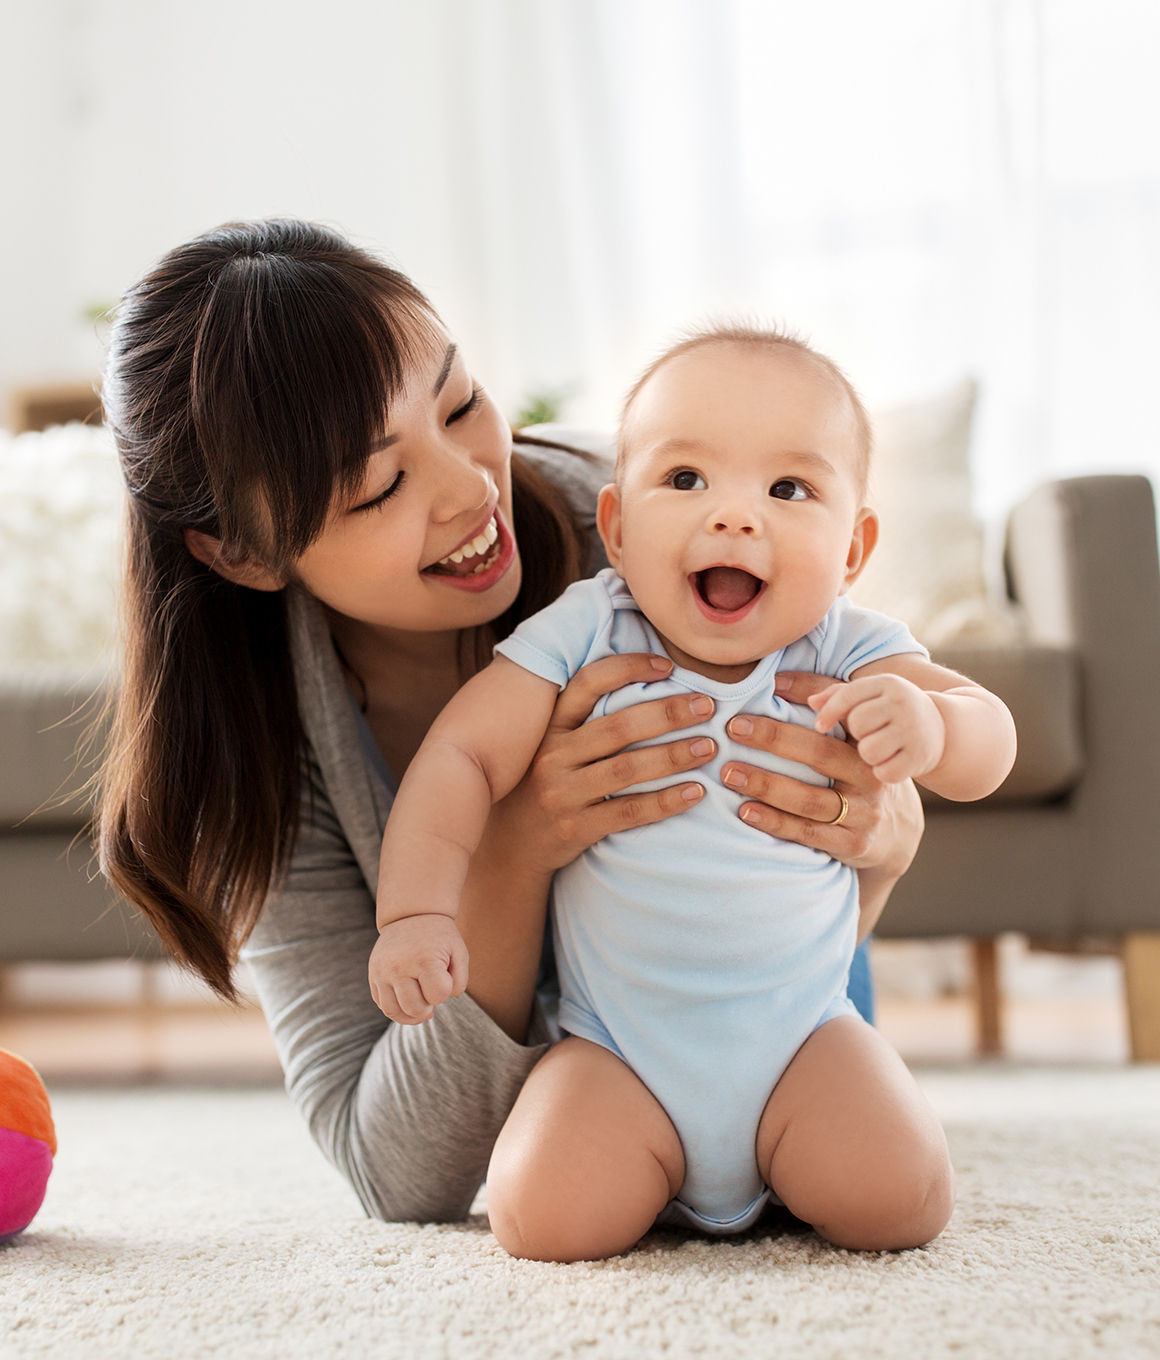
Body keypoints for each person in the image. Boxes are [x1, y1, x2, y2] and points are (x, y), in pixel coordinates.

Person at [98, 219, 926, 1233]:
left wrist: (882, 843)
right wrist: (510, 851)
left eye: (460, 402)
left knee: (875, 1176)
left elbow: (853, 766)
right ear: (240, 554)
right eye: (382, 485)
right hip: (592, 1104)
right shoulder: (256, 748)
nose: (468, 486)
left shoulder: (654, 539)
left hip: (790, 1022)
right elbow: (395, 1170)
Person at [373, 328, 1016, 1261]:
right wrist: (416, 914)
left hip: (803, 1037)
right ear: (620, 528)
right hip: (617, 1052)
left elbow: (987, 735)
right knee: (540, 1219)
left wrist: (936, 725)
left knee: (901, 1201)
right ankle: (659, 1167)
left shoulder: (847, 645)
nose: (735, 518)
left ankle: (785, 1155)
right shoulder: (588, 628)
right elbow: (461, 759)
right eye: (686, 481)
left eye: (789, 490)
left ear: (854, 549)